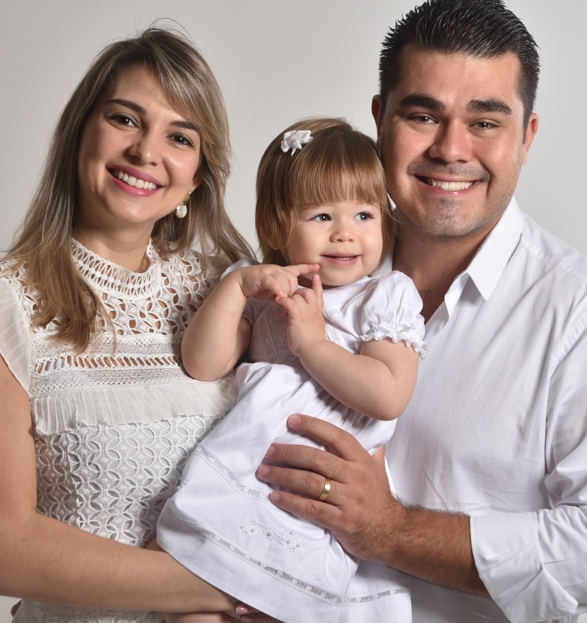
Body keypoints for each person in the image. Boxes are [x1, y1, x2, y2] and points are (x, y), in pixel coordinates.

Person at [255, 0, 587, 623]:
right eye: (424, 116)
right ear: (380, 121)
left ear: (526, 137)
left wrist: (392, 531)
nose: (451, 150)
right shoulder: (308, 270)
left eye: (485, 122)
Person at [0, 27, 257, 622]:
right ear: (79, 131)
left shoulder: (229, 288)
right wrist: (234, 583)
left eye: (179, 137)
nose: (146, 152)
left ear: (197, 178)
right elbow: (0, 552)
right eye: (125, 119)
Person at [155, 118, 423, 622]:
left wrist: (314, 344)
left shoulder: (383, 296)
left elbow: (388, 394)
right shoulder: (262, 287)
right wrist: (236, 290)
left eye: (364, 214)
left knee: (290, 604)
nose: (345, 232)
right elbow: (203, 364)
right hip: (250, 469)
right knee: (190, 597)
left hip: (325, 487)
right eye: (322, 215)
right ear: (278, 224)